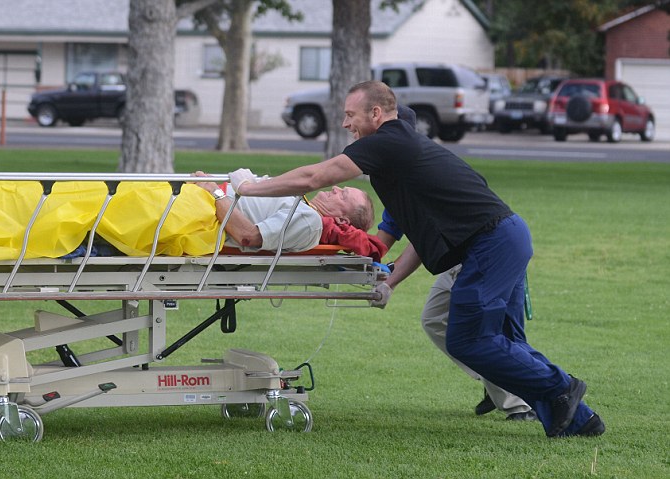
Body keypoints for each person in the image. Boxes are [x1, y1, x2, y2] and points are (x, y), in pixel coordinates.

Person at [230, 80, 603, 438]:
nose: (345, 124)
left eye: (350, 115)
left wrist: (249, 187)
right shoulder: (402, 156)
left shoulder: (388, 143)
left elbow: (315, 176)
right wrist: (387, 279)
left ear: (376, 114)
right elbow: (413, 238)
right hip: (502, 238)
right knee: (503, 340)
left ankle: (562, 386)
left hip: (492, 243)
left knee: (468, 340)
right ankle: (580, 422)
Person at [378, 211, 535, 421]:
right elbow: (385, 234)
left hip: (489, 250)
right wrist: (368, 264)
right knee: (434, 318)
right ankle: (495, 377)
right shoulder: (394, 188)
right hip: (458, 256)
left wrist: (390, 281)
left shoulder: (417, 183)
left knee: (497, 332)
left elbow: (421, 243)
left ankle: (522, 405)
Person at [191, 172, 386, 260]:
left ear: (342, 220)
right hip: (197, 201)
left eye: (343, 195)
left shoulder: (310, 221)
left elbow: (247, 236)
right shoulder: (300, 203)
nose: (335, 188)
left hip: (197, 213)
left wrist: (215, 192)